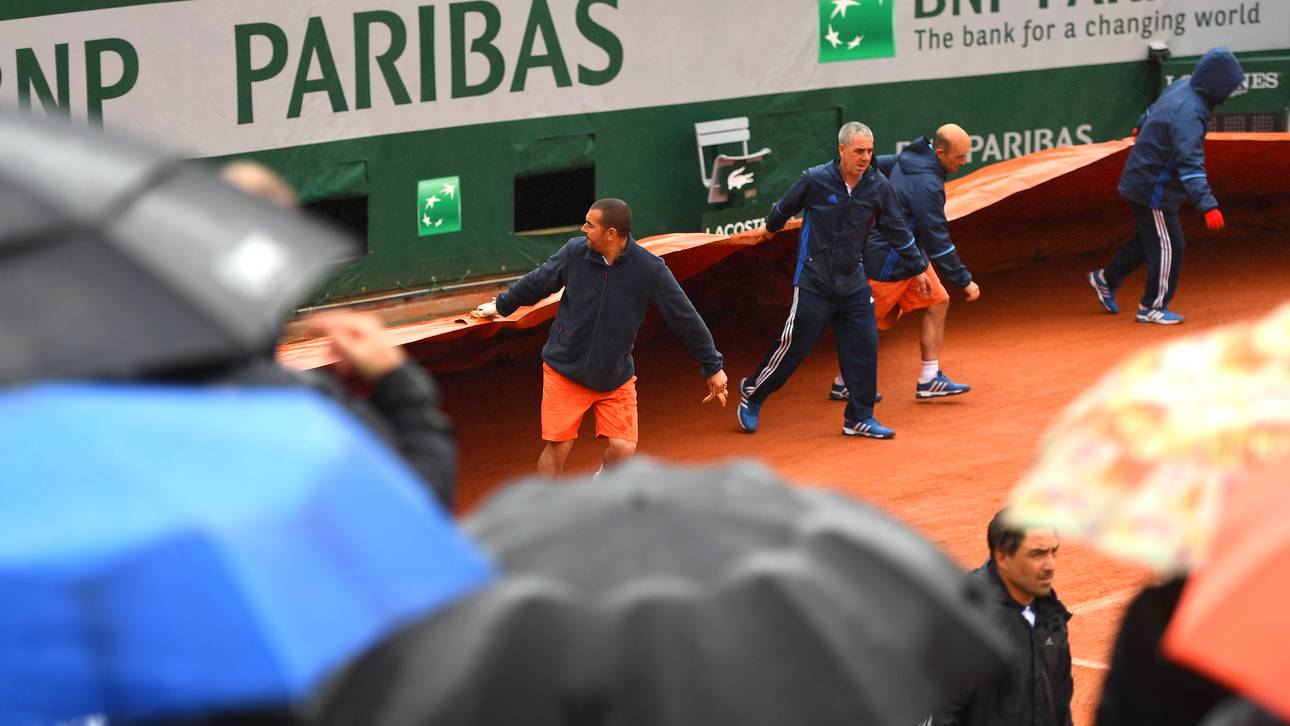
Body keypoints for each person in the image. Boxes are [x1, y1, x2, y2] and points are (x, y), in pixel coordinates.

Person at [472, 198, 727, 476]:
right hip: (564, 370)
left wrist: (712, 365)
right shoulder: (573, 252)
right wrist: (501, 305)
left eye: (589, 225)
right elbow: (539, 281)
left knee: (623, 449)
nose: (583, 229)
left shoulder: (650, 270)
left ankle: (601, 487)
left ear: (611, 234)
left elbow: (684, 316)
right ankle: (546, 508)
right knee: (559, 447)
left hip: (614, 376)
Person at [738, 121, 930, 439]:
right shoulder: (815, 180)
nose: (866, 157)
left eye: (869, 150)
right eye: (859, 151)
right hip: (815, 281)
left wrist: (919, 268)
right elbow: (784, 208)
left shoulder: (877, 186)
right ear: (842, 149)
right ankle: (753, 392)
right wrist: (770, 226)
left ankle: (859, 417)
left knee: (864, 347)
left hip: (853, 282)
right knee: (794, 347)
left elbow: (897, 229)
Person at [1088, 46, 1244, 325]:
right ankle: (1152, 306)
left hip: (1143, 179)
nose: (1230, 93)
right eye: (1228, 86)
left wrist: (1140, 126)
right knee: (1172, 245)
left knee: (1151, 241)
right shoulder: (1190, 115)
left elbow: (1151, 112)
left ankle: (1106, 279)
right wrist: (1208, 205)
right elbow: (1191, 164)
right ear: (1217, 84)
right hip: (1153, 189)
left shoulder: (1182, 87)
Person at [829, 123, 981, 402]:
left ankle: (929, 378)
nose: (963, 162)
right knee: (863, 323)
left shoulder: (913, 157)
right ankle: (843, 382)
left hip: (912, 260)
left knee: (938, 302)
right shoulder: (927, 185)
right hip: (887, 261)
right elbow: (937, 239)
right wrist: (964, 279)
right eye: (959, 157)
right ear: (940, 152)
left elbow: (881, 165)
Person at [930, 509, 1073, 726]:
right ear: (1003, 557)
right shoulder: (970, 617)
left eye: (1053, 552)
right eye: (1037, 554)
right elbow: (943, 710)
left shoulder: (1051, 615)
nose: (1050, 565)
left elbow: (1060, 701)